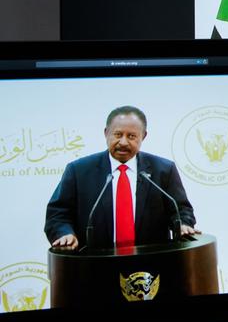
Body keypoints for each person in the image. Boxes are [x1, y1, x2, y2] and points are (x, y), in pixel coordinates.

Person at [45, 106, 200, 250]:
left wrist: (183, 225)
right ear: (106, 133)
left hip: (150, 265)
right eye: (118, 135)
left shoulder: (164, 170)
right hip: (93, 262)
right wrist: (64, 233)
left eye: (131, 136)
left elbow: (181, 210)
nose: (123, 142)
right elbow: (58, 213)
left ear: (143, 136)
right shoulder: (78, 170)